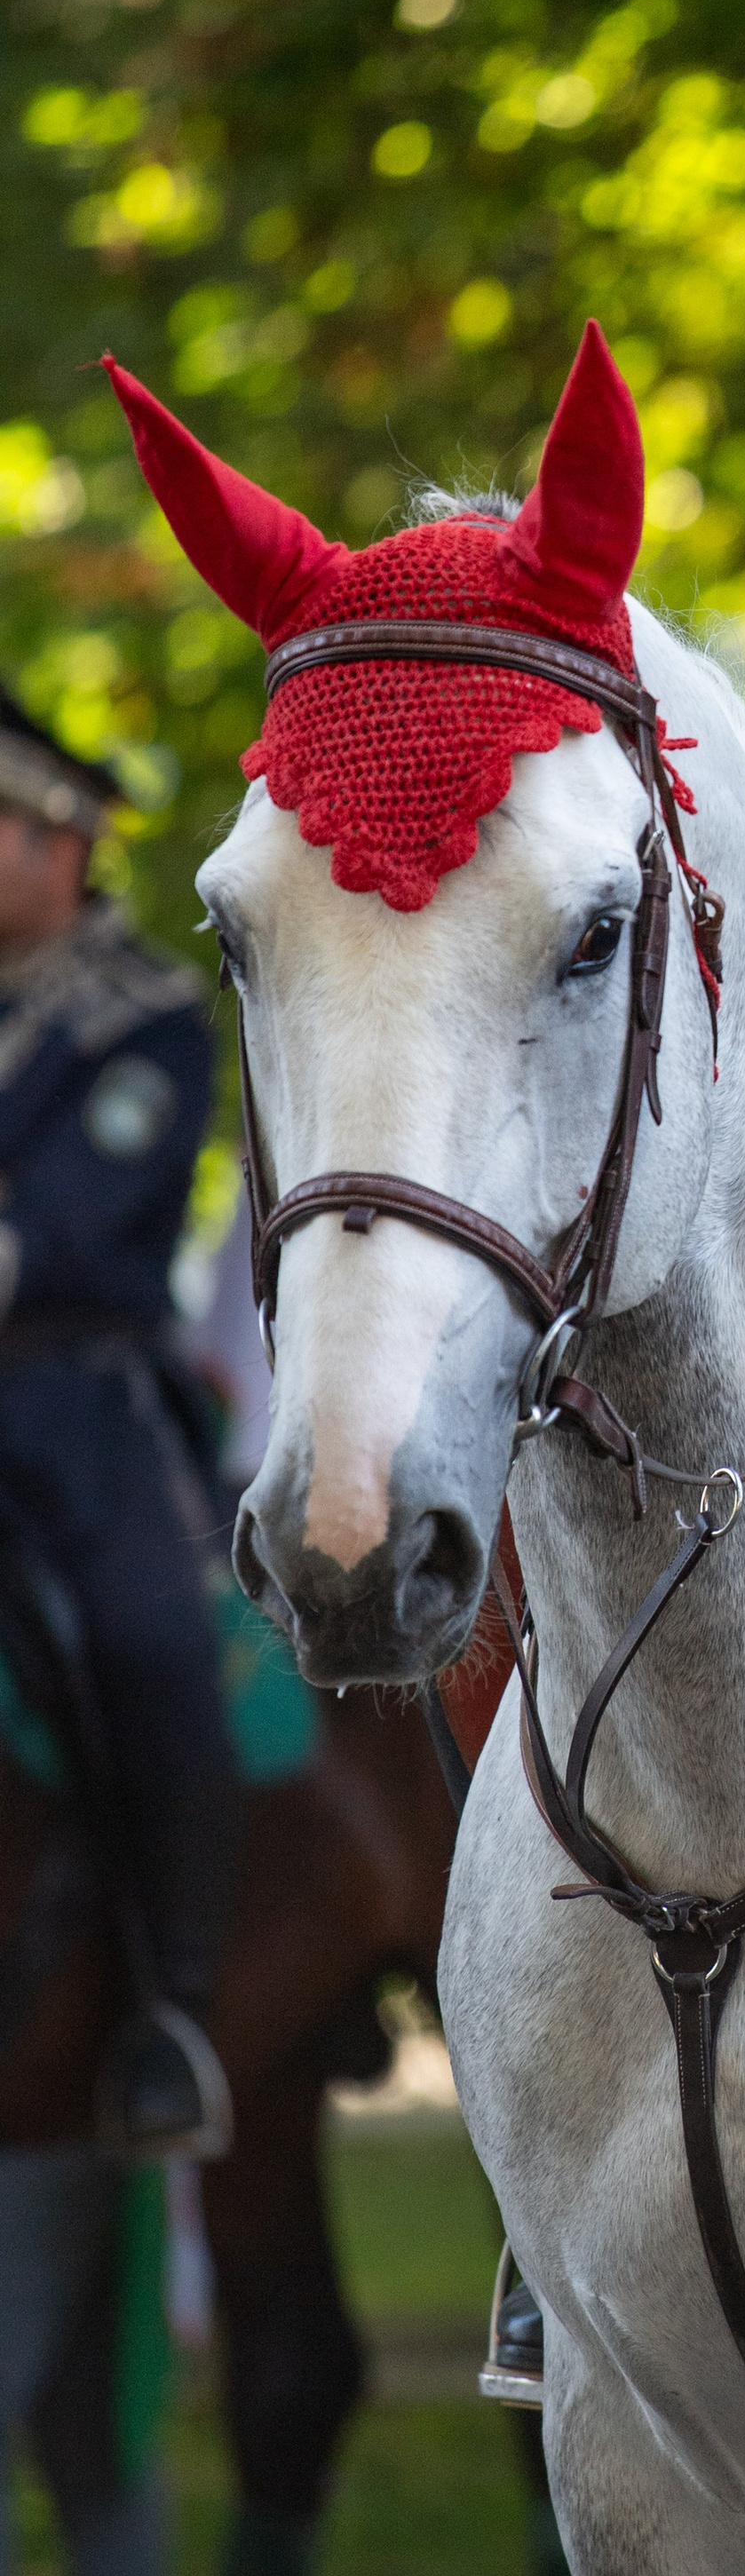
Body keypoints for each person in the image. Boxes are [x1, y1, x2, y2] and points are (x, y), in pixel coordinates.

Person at [0, 684, 233, 2153]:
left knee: (150, 1644)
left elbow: (79, 1232)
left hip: (72, 1400)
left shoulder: (147, 1011)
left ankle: (176, 2009)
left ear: (63, 841)